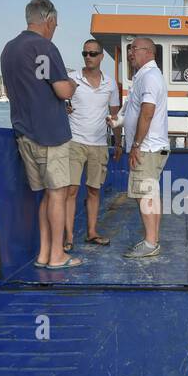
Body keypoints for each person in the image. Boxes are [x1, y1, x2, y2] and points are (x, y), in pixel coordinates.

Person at [0, 0, 82, 269]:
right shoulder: (44, 48)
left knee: (46, 194)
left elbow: (15, 92)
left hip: (24, 134)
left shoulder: (9, 49)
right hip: (50, 135)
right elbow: (61, 90)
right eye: (55, 24)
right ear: (49, 20)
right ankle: (57, 255)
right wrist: (72, 84)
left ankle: (45, 253)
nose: (55, 29)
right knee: (57, 193)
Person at [64, 38, 120, 250]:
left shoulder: (110, 83)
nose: (88, 57)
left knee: (94, 190)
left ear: (101, 56)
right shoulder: (71, 78)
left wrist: (118, 141)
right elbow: (57, 100)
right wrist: (63, 108)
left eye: (93, 53)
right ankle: (68, 238)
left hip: (99, 144)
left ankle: (91, 232)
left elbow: (114, 115)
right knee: (71, 190)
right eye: (85, 53)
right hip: (74, 141)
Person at [120, 37, 168, 258]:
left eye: (134, 49)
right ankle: (153, 239)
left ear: (149, 52)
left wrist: (136, 145)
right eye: (129, 49)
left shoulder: (149, 77)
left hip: (147, 148)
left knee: (145, 194)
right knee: (151, 193)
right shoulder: (145, 76)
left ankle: (150, 243)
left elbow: (147, 112)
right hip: (151, 147)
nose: (130, 53)